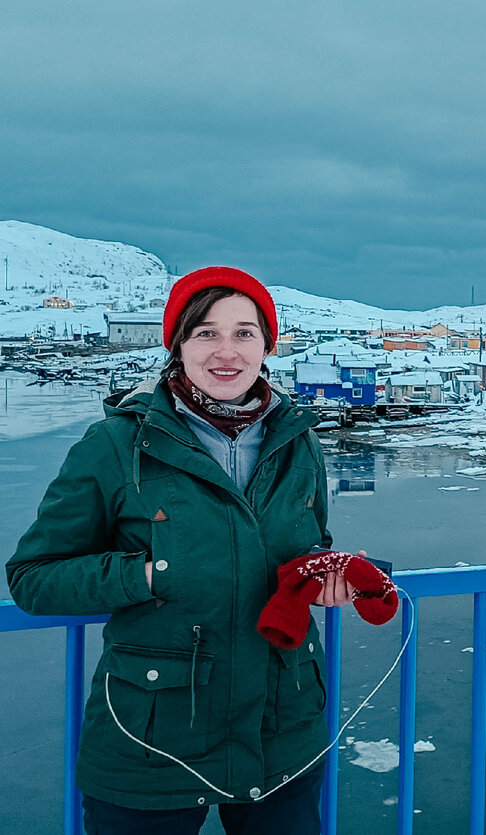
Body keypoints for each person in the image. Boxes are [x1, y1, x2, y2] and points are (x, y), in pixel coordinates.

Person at [7, 267, 360, 835]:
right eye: (206, 333)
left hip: (281, 726)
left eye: (245, 333)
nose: (227, 351)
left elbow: (310, 543)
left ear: (268, 345)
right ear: (177, 344)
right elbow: (33, 578)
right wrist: (148, 574)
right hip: (152, 734)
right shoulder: (117, 444)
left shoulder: (298, 441)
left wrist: (324, 577)